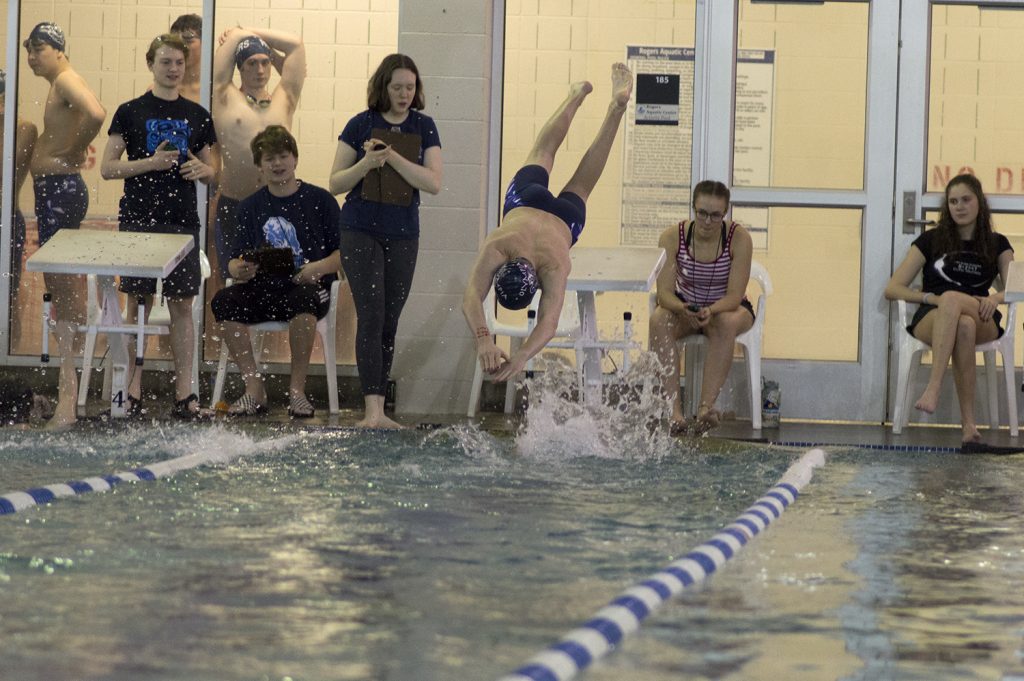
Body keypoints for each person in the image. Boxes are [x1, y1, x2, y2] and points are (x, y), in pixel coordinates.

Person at [462, 63, 632, 385]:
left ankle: (615, 110)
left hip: (564, 220)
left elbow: (548, 323)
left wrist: (521, 354)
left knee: (583, 183)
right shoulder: (499, 245)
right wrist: (483, 338)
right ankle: (575, 96)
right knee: (544, 151)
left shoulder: (554, 267)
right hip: (525, 202)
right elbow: (471, 295)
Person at [100, 33, 216, 419]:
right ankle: (131, 392)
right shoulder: (129, 111)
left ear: (185, 67)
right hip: (139, 219)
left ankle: (185, 395)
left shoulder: (198, 115)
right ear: (151, 64)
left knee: (184, 305)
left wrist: (204, 169)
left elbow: (217, 172)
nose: (172, 69)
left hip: (182, 221)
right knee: (138, 303)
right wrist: (150, 163)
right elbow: (108, 167)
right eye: (165, 62)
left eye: (179, 63)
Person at [329, 53, 443, 429]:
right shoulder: (360, 124)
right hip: (360, 228)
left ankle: (381, 411)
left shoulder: (425, 128)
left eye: (410, 87)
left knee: (389, 319)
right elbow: (335, 183)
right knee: (372, 313)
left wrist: (391, 156)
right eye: (397, 87)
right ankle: (372, 410)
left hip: (403, 232)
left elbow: (433, 183)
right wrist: (366, 164)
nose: (404, 94)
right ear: (383, 87)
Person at [885, 174, 1023, 455]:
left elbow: (1017, 288)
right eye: (953, 201)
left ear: (980, 203)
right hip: (935, 316)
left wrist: (995, 297)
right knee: (960, 320)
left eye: (966, 200)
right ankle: (970, 427)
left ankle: (934, 388)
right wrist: (929, 297)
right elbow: (892, 288)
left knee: (958, 307)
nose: (959, 206)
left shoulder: (997, 243)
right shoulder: (930, 240)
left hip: (981, 311)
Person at [210, 125, 340, 418]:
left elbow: (342, 256)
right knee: (224, 301)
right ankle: (254, 388)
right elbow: (232, 260)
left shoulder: (321, 202)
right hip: (263, 286)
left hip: (306, 287)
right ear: (259, 166)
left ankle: (297, 392)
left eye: (283, 156)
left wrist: (317, 268)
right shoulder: (249, 208)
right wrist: (239, 268)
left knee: (305, 301)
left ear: (295, 159)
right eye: (269, 159)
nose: (277, 164)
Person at [23, 22, 106, 430]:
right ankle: (67, 395)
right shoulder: (61, 80)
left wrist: (74, 150)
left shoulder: (66, 79)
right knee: (60, 285)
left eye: (37, 49)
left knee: (65, 287)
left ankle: (68, 401)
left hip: (59, 189)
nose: (31, 59)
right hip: (55, 191)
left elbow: (96, 113)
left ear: (56, 49)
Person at [648, 181, 754, 434]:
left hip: (728, 308)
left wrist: (711, 310)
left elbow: (735, 295)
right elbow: (663, 293)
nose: (708, 221)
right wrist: (685, 308)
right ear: (693, 209)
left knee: (725, 323)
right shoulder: (672, 237)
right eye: (702, 213)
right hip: (685, 305)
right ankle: (675, 412)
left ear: (725, 213)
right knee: (659, 320)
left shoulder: (739, 239)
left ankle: (706, 408)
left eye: (716, 215)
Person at [212, 26, 305, 276]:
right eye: (252, 63)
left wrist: (249, 31)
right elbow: (222, 62)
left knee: (279, 276)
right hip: (235, 204)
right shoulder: (224, 96)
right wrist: (237, 36)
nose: (260, 70)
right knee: (234, 276)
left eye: (265, 62)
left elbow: (295, 43)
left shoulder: (284, 97)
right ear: (239, 68)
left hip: (277, 203)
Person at [0, 69, 39, 353]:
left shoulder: (23, 129)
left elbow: (6, 175)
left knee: (9, 296)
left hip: (6, 220)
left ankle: (8, 356)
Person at [170, 14, 203, 104]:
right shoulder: (160, 91)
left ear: (205, 43)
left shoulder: (212, 93)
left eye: (188, 40)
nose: (181, 47)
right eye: (175, 41)